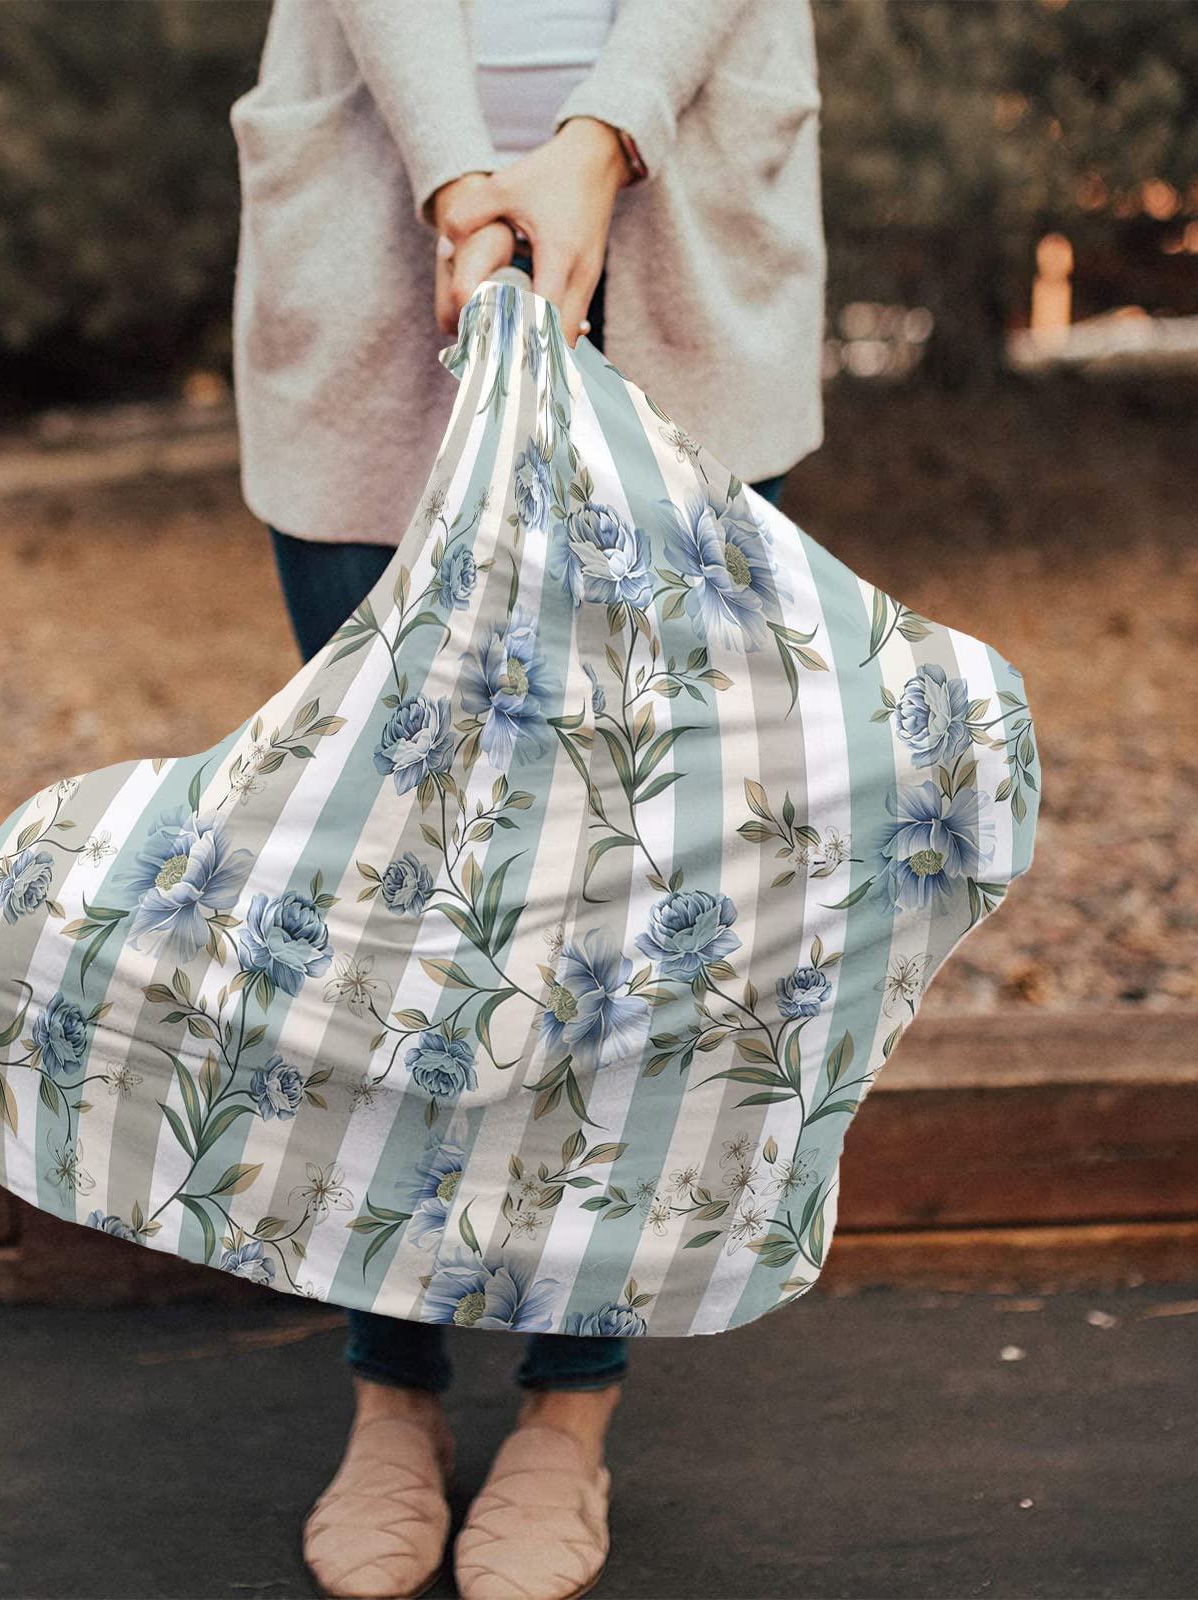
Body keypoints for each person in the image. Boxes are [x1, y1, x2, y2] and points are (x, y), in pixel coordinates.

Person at [227, 4, 825, 1595]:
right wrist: (457, 179)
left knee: (636, 881)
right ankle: (392, 1389)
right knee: (390, 878)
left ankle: (571, 1408)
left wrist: (600, 141)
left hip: (683, 228)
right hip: (377, 222)